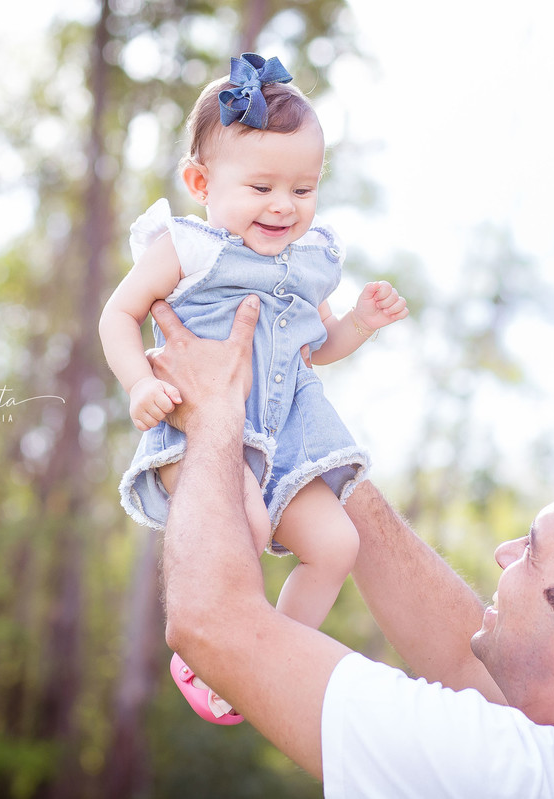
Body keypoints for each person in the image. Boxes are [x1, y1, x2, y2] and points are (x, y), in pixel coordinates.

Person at [149, 294, 554, 797]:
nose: (504, 554)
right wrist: (302, 421)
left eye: (532, 551)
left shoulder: (509, 776)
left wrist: (214, 413)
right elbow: (464, 660)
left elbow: (211, 622)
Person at [98, 53, 408, 723]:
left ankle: (267, 658)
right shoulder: (189, 248)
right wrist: (137, 383)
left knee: (337, 545)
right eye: (262, 186)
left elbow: (318, 347)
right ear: (200, 182)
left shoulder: (312, 261)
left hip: (286, 434)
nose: (283, 206)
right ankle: (212, 650)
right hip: (200, 429)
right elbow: (117, 314)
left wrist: (360, 322)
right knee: (250, 522)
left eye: (303, 189)